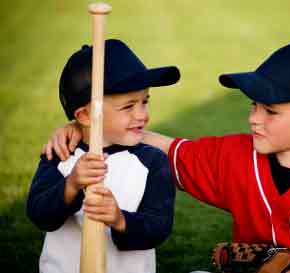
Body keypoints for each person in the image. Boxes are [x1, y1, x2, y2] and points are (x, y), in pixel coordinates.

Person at [42, 43, 290, 273]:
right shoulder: (235, 156)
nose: (253, 118)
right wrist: (88, 130)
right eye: (253, 106)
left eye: (270, 111)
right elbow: (166, 148)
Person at [27, 39, 180, 273]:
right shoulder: (60, 154)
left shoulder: (153, 162)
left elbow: (159, 227)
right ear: (85, 115)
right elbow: (39, 215)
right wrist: (72, 185)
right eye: (128, 106)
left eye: (145, 102)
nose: (143, 115)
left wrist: (120, 220)